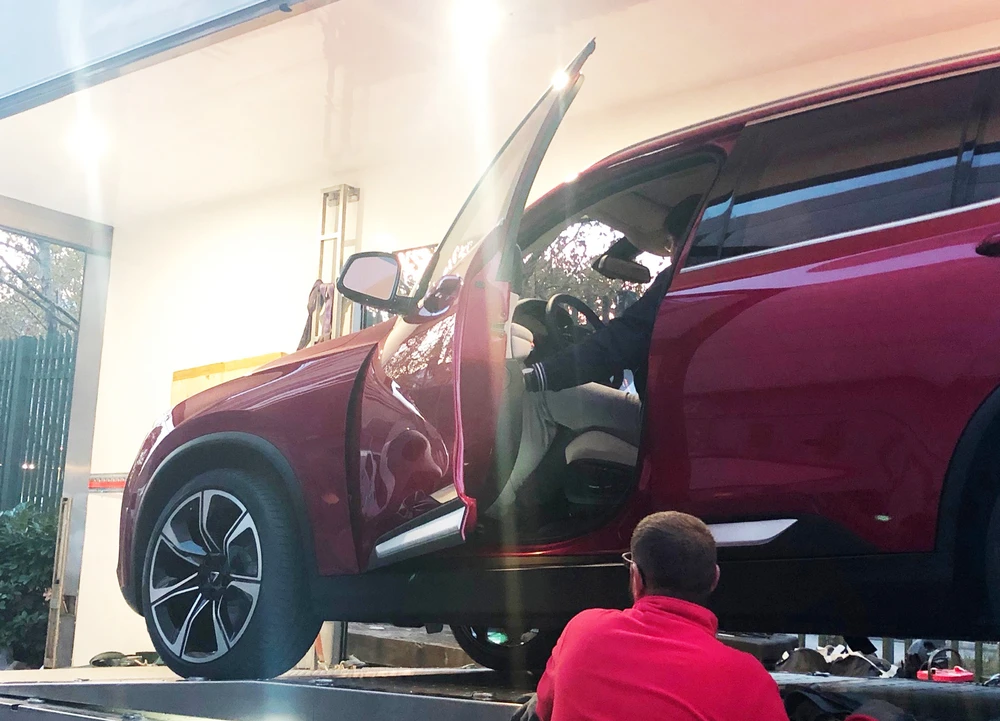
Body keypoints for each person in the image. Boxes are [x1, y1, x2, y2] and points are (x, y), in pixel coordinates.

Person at [489, 196, 701, 515]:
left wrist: (537, 375)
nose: (671, 252)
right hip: (680, 419)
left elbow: (619, 341)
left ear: (685, 239)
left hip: (666, 424)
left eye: (671, 244)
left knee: (538, 396)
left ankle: (497, 509)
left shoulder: (678, 281)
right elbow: (624, 341)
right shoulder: (706, 282)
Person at [522, 511, 787, 721]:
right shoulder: (748, 680)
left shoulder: (582, 630)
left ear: (636, 577)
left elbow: (542, 709)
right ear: (714, 579)